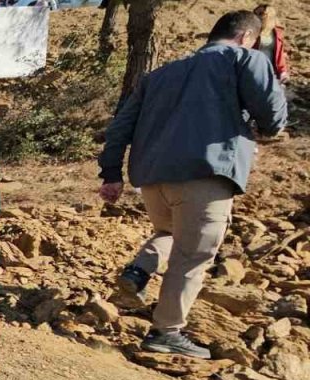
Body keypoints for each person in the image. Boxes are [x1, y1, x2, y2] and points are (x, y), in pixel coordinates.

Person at [99, 11, 287, 359]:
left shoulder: (160, 74)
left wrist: (111, 173)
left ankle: (139, 270)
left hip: (153, 179)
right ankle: (166, 332)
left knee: (170, 231)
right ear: (247, 37)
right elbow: (274, 118)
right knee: (193, 254)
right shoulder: (246, 59)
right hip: (205, 173)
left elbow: (120, 126)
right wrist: (275, 84)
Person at [254, 5, 290, 82]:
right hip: (254, 67)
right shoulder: (252, 31)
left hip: (271, 68)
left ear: (270, 15)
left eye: (261, 13)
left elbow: (280, 54)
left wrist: (283, 71)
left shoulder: (277, 33)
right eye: (255, 13)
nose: (257, 16)